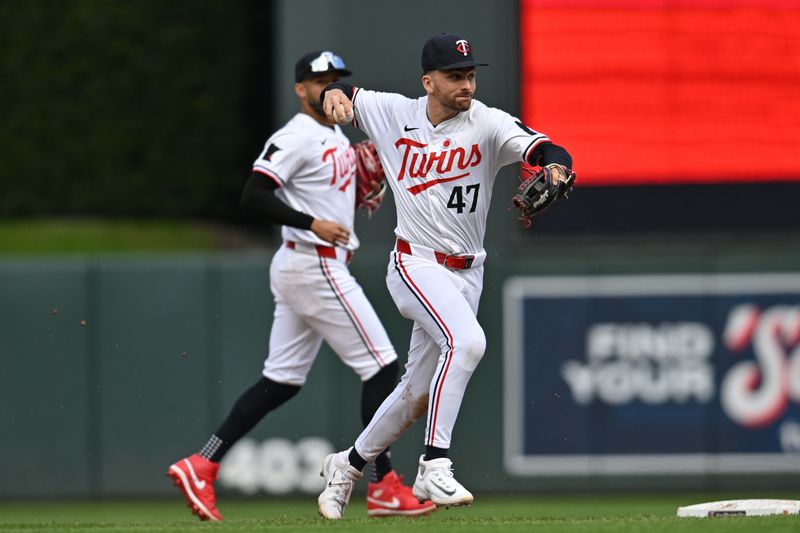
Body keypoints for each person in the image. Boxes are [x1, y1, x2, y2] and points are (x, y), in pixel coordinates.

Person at [166, 50, 436, 521]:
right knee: (382, 365)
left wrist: (352, 196)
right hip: (315, 263)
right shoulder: (295, 136)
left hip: (306, 264)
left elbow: (327, 191)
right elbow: (254, 194)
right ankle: (383, 485)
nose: (328, 88)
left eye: (335, 80)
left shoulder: (333, 135)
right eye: (319, 81)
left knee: (281, 381)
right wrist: (312, 220)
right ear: (299, 89)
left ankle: (202, 462)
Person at [315, 34, 574, 519]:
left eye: (471, 74)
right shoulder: (393, 111)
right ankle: (434, 465)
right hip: (415, 263)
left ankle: (346, 466)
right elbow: (344, 92)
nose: (467, 84)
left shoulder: (489, 123)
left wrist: (558, 167)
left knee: (415, 392)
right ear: (428, 82)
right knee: (469, 342)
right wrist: (333, 95)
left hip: (467, 273)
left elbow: (546, 148)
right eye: (456, 76)